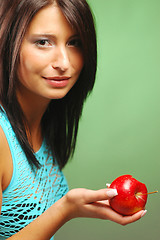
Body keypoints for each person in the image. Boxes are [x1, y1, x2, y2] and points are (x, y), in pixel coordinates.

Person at [0, 0, 147, 239]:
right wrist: (65, 210)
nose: (64, 63)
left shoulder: (43, 120)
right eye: (43, 42)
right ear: (8, 44)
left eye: (74, 42)